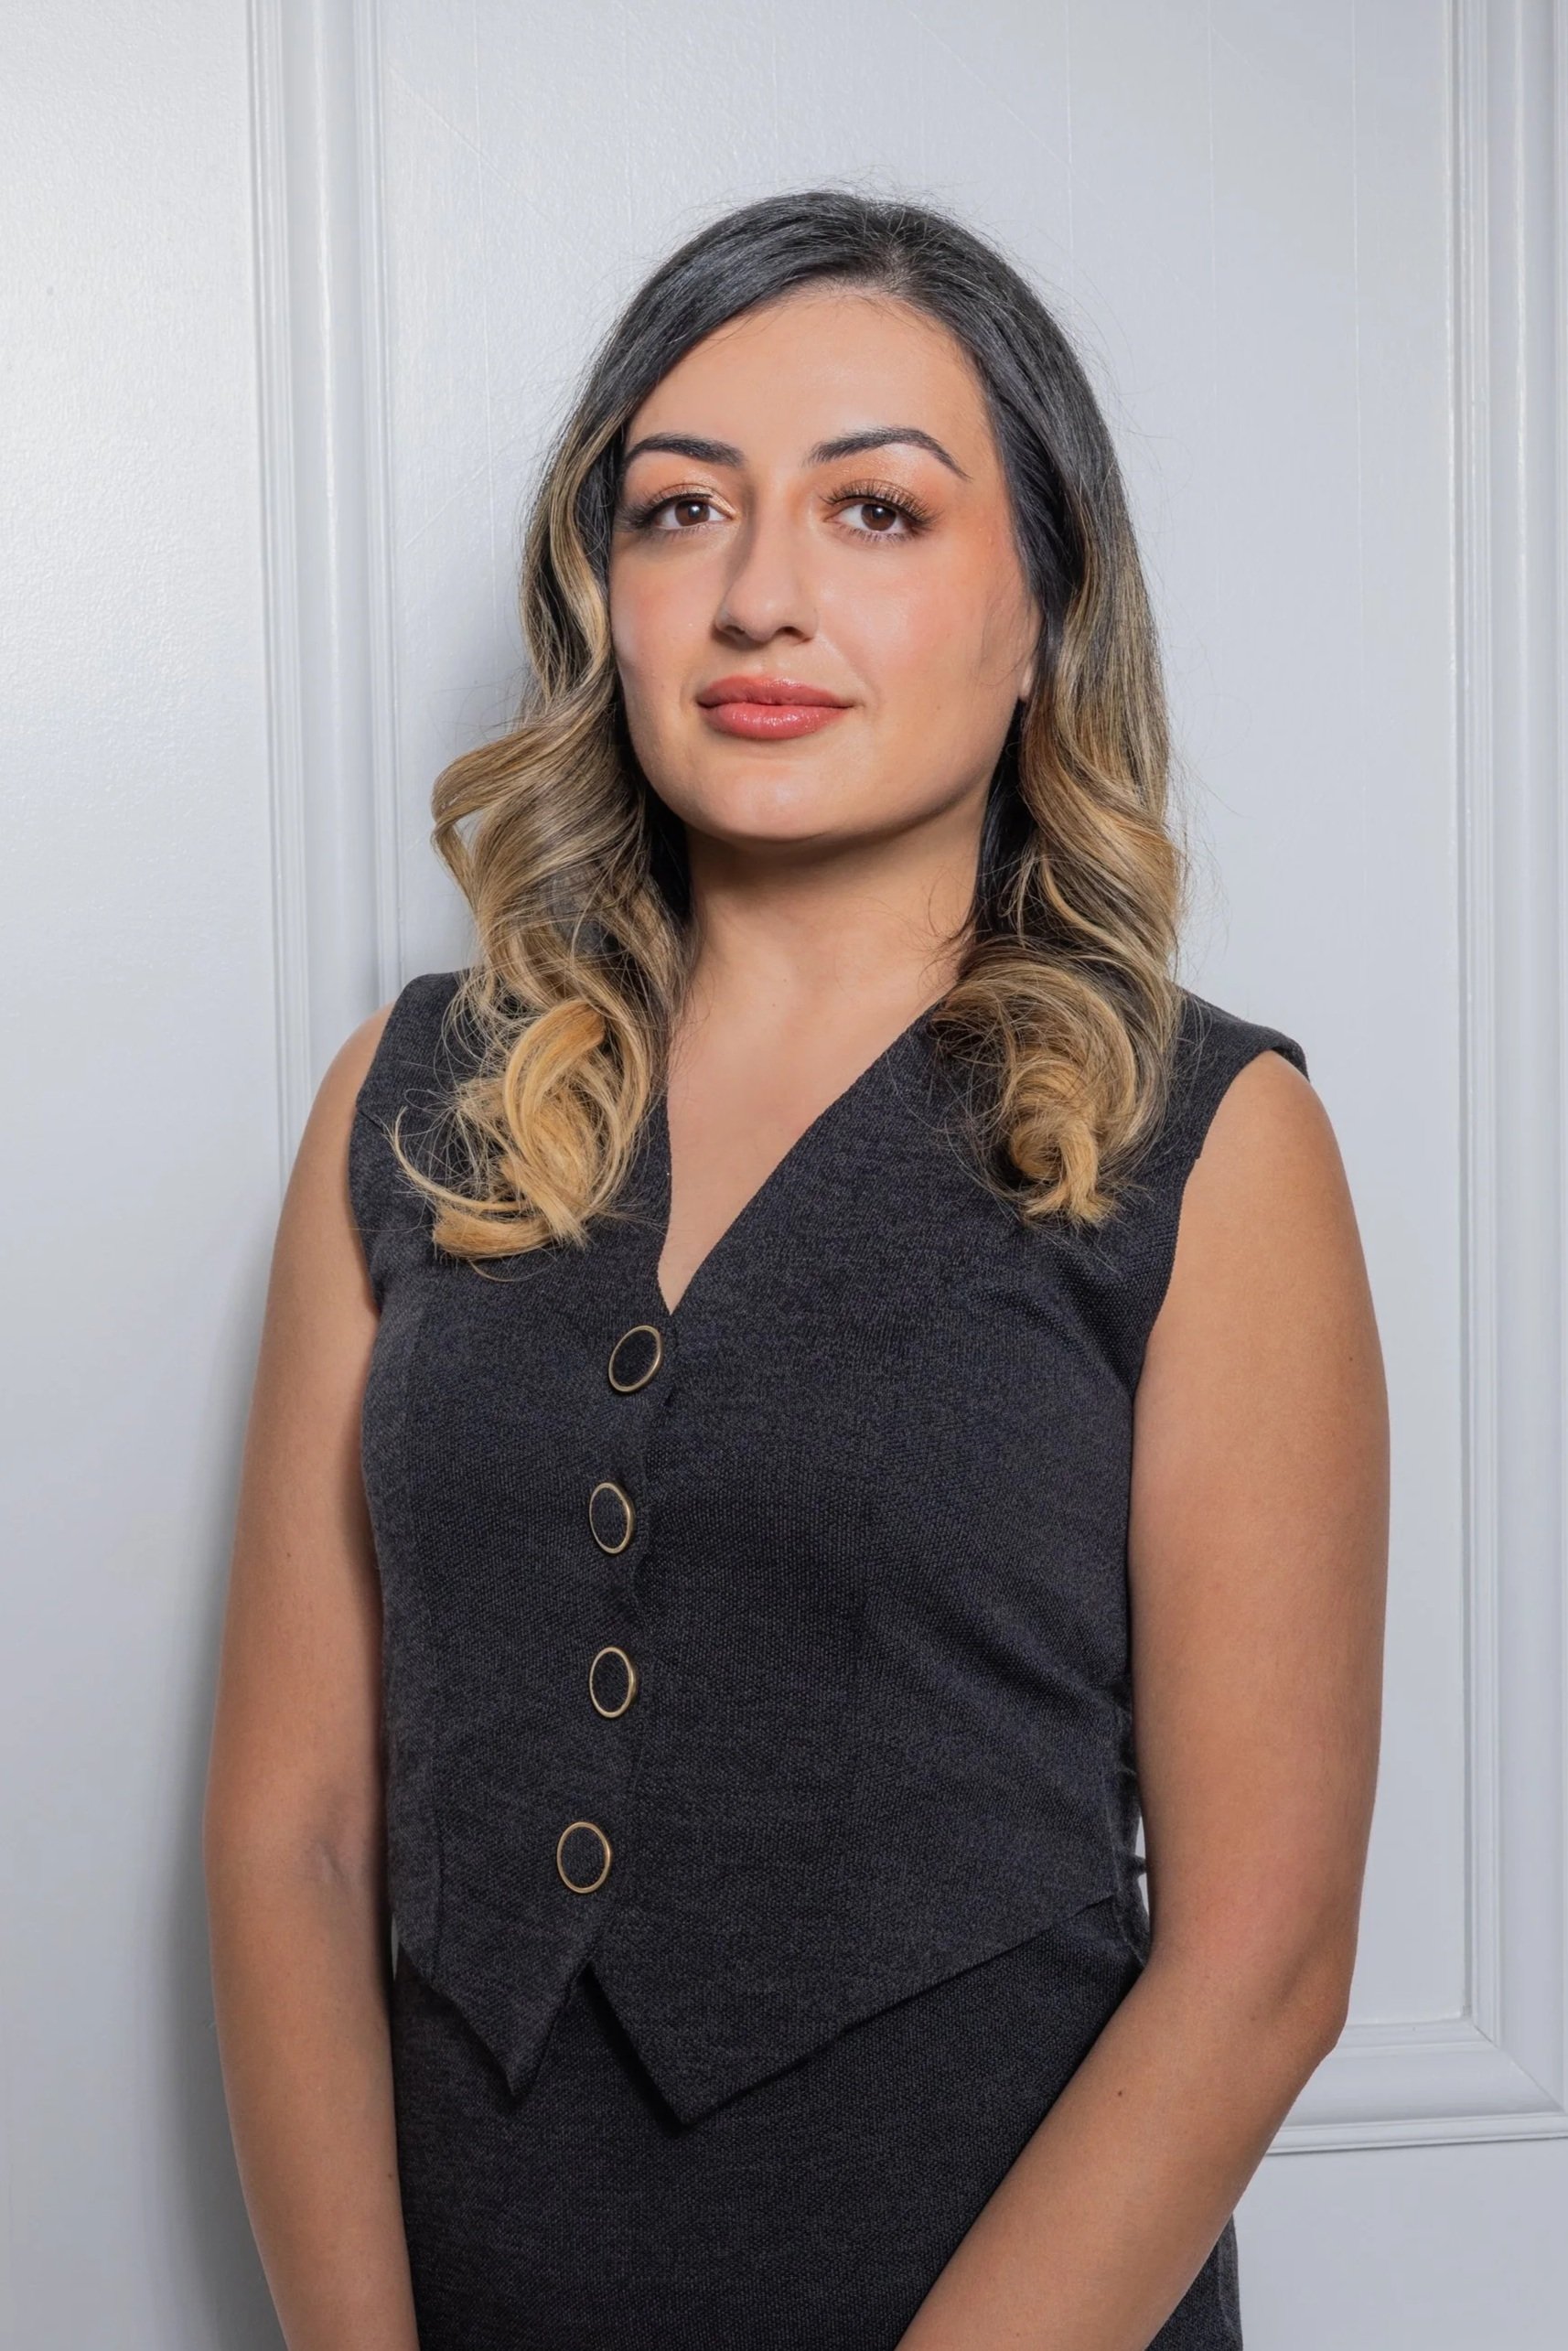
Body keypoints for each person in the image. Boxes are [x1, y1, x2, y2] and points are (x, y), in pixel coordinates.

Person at [203, 189, 1388, 2351]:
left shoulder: (1209, 1143)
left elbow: (1264, 1955)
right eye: (678, 512)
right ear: (607, 598)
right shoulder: (410, 1099)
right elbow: (289, 1831)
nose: (758, 594)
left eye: (872, 511)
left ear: (1037, 610)